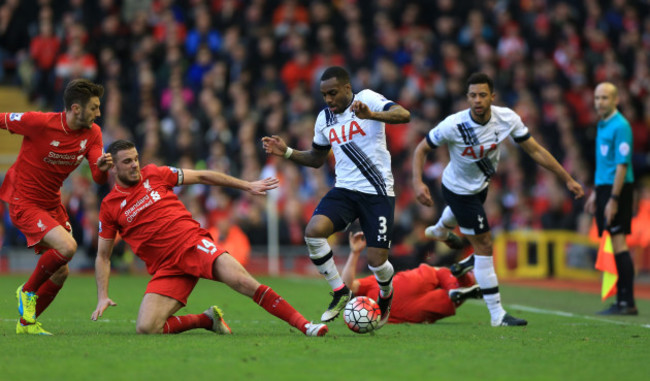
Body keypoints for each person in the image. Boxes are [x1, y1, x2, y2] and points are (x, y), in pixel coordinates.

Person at [91, 140, 328, 337]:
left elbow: (203, 176)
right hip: (167, 267)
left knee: (243, 282)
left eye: (135, 158)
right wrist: (102, 295)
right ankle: (206, 320)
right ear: (113, 168)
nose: (134, 165)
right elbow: (103, 256)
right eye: (127, 161)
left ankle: (306, 326)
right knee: (146, 327)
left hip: (192, 243)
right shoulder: (110, 206)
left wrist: (246, 185)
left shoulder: (154, 174)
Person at [412, 72, 584, 327]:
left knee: (467, 226)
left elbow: (535, 150)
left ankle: (440, 229)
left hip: (481, 186)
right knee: (484, 245)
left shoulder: (507, 119)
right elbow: (421, 148)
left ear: (492, 97)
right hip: (457, 189)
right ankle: (497, 315)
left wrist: (567, 178)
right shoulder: (453, 124)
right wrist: (417, 182)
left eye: (483, 95)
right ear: (467, 98)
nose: (478, 100)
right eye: (473, 95)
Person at [262, 66, 410, 327]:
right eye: (324, 95)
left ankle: (386, 294)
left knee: (377, 262)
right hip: (345, 190)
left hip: (377, 192)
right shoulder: (324, 119)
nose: (328, 99)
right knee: (313, 231)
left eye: (332, 93)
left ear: (347, 88)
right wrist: (286, 152)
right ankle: (341, 291)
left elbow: (404, 114)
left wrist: (373, 114)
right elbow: (317, 159)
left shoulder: (368, 99)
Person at [1, 79, 112, 336]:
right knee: (68, 247)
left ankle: (27, 324)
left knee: (61, 271)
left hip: (51, 204)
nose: (98, 113)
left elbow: (97, 175)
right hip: (24, 201)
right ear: (76, 109)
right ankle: (27, 291)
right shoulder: (38, 122)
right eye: (94, 107)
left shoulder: (93, 133)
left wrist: (103, 169)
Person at [342, 232, 482, 324]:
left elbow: (347, 286)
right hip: (407, 284)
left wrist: (354, 253)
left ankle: (460, 286)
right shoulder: (370, 288)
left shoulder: (373, 310)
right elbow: (347, 285)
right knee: (443, 276)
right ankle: (460, 280)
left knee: (447, 299)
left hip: (409, 311)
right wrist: (354, 253)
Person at [584, 82, 637, 315]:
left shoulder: (621, 126)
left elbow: (621, 165)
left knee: (618, 242)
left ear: (615, 100)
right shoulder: (603, 125)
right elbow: (604, 164)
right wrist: (597, 192)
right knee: (614, 242)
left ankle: (627, 301)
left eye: (605, 98)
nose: (600, 102)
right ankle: (622, 300)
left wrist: (613, 199)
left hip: (619, 188)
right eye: (597, 98)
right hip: (605, 188)